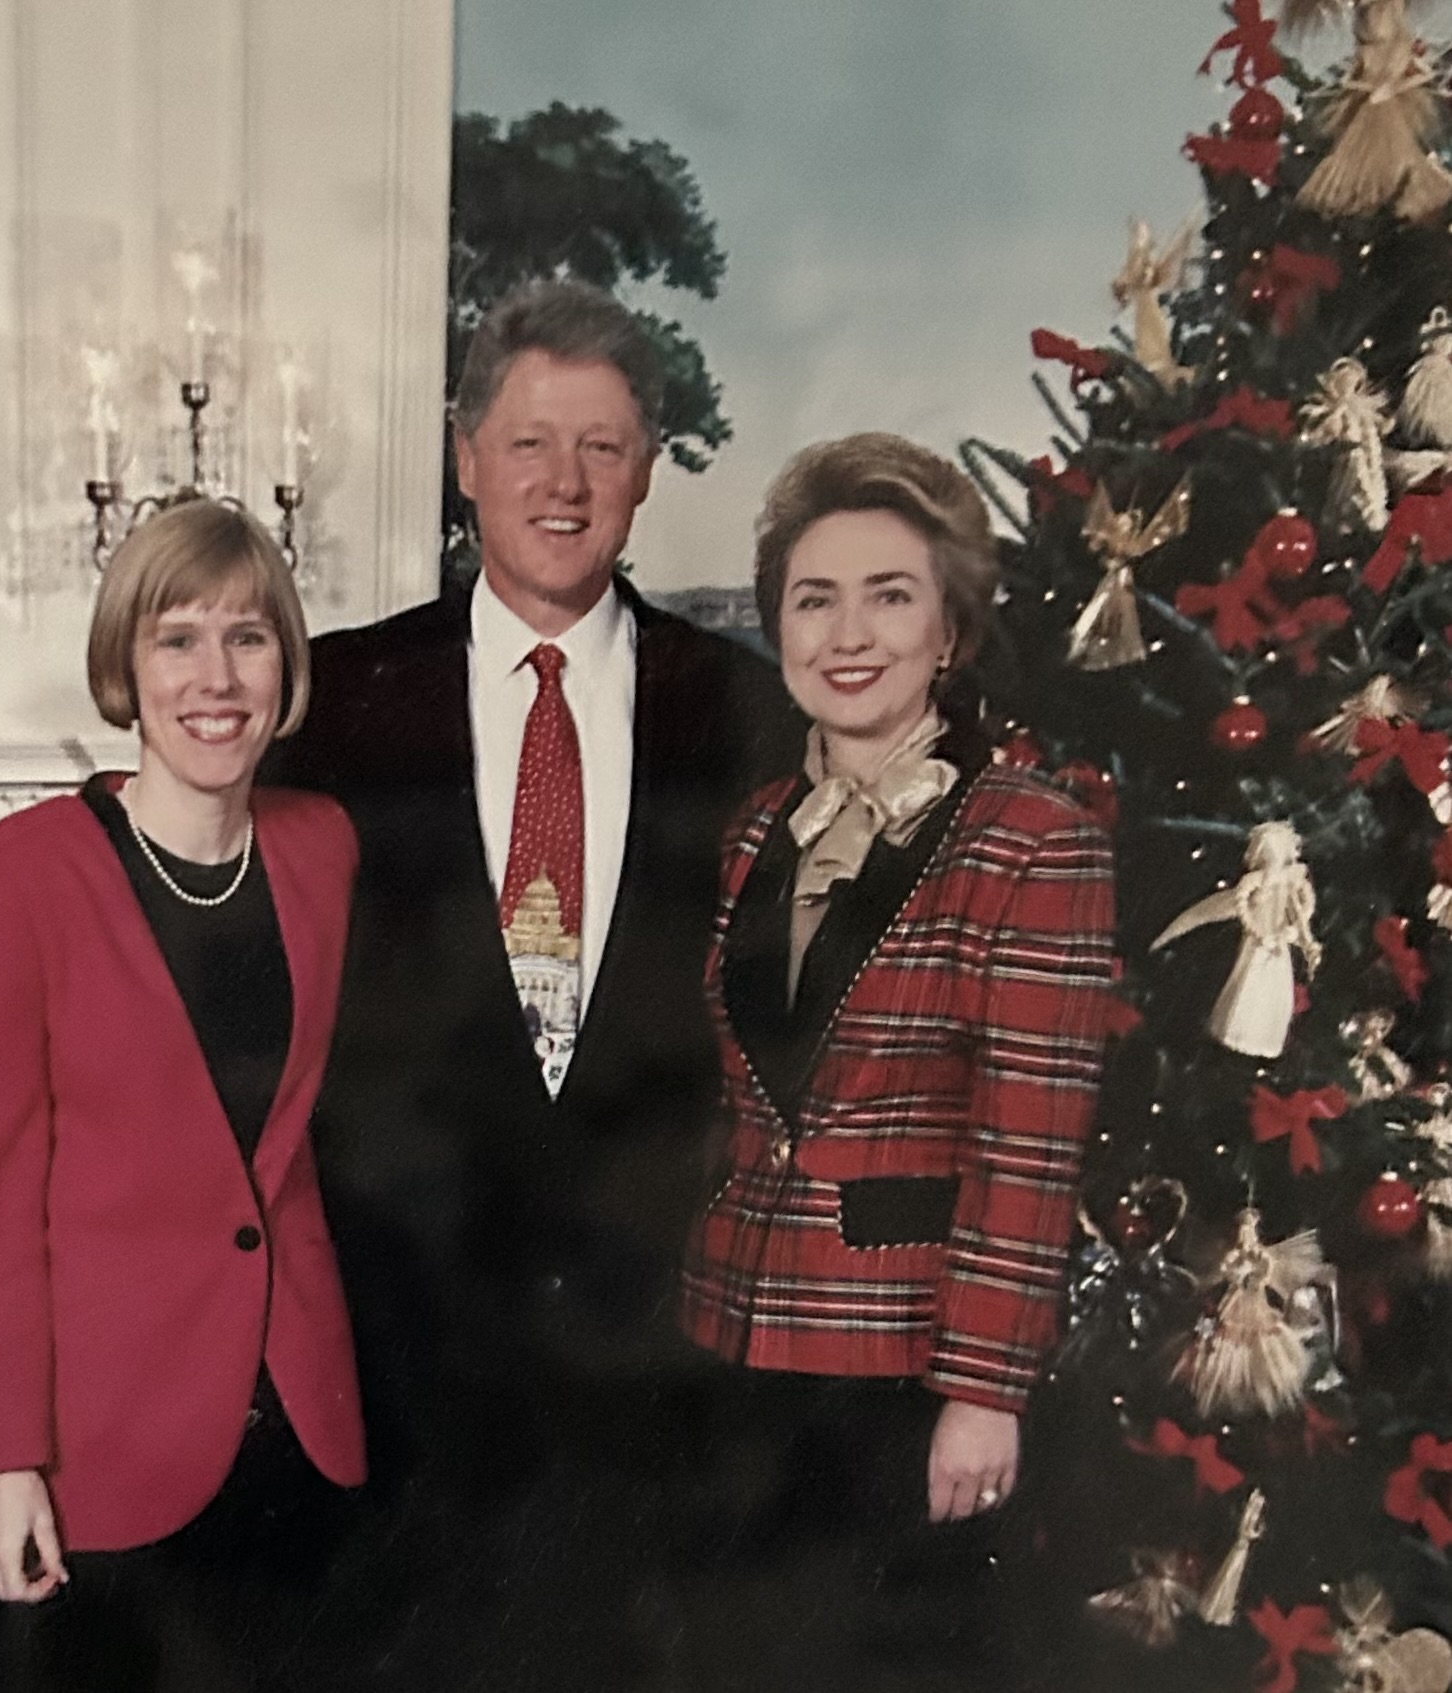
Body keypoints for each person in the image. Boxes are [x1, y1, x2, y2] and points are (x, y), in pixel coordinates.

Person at [265, 279, 793, 1688]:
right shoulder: (332, 706)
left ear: (646, 473)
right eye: (529, 442)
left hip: (656, 1359)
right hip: (404, 1358)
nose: (564, 484)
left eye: (604, 447)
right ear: (463, 459)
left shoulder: (746, 709)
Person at [675, 433, 1116, 1692]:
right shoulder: (761, 827)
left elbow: (1026, 1147)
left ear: (948, 630)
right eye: (812, 599)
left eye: (889, 594)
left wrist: (981, 1391)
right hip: (740, 1341)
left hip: (906, 1369)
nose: (846, 632)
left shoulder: (1032, 839)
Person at [0, 499, 366, 1692]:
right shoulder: (8, 881)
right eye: (176, 638)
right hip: (105, 1449)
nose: (214, 676)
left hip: (297, 1425)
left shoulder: (320, 846)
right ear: (124, 668)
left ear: (286, 664)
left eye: (248, 636)